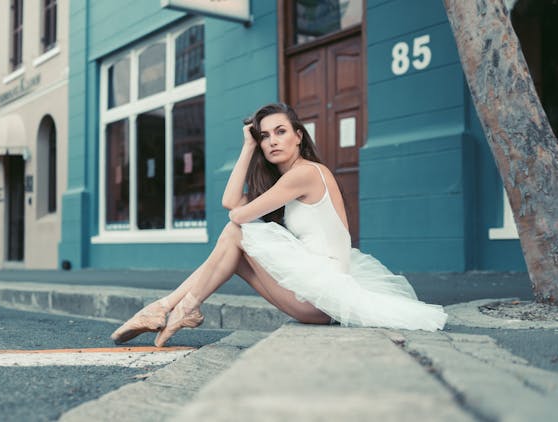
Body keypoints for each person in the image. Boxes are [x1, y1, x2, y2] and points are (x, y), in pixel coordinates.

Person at [111, 103, 447, 347]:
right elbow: (230, 202)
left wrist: (241, 201)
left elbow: (236, 217)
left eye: (281, 132)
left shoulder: (305, 173)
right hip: (316, 296)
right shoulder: (288, 179)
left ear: (299, 136)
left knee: (235, 233)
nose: (271, 140)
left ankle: (171, 306)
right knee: (235, 254)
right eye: (264, 136)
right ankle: (174, 307)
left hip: (321, 299)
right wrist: (246, 147)